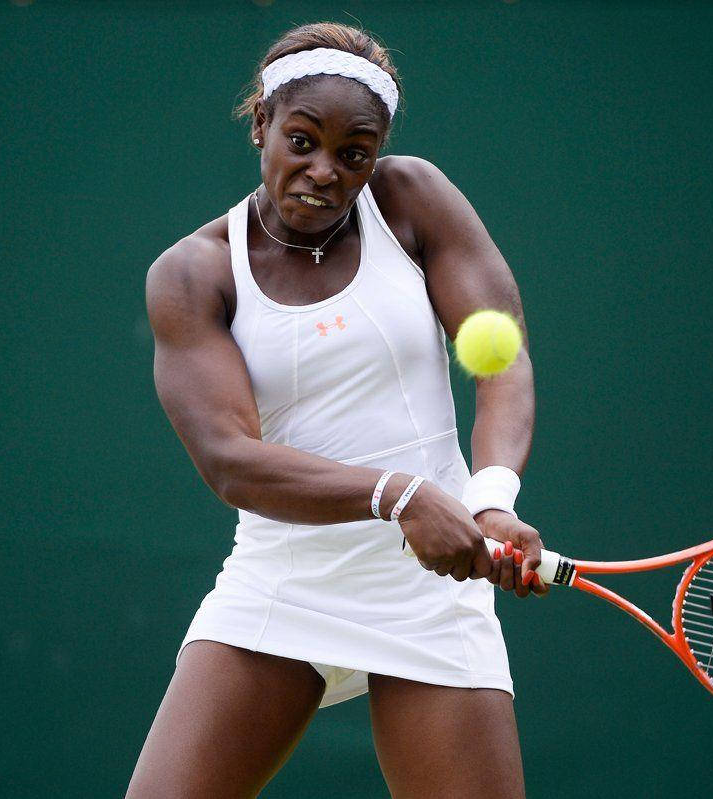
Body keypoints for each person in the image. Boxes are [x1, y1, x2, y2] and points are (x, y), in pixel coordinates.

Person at [127, 22, 547, 799]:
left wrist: (489, 499)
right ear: (261, 125)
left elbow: (506, 363)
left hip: (428, 593)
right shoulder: (194, 273)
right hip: (283, 582)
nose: (324, 170)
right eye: (301, 140)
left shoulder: (412, 198)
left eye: (354, 152)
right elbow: (229, 458)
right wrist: (401, 495)